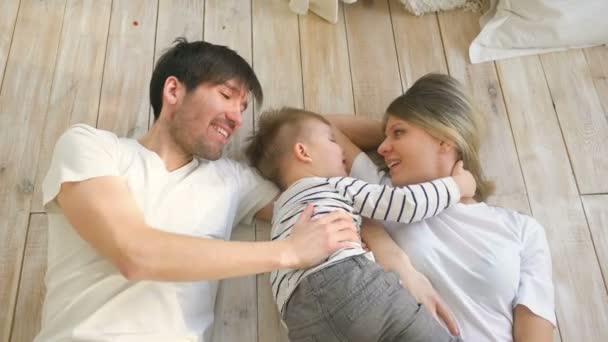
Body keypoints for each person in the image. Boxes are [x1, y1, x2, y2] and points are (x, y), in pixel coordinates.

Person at [34, 38, 361, 342]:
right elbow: (134, 253)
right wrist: (289, 252)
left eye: (243, 107)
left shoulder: (232, 181)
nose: (237, 117)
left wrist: (391, 131)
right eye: (226, 95)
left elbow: (316, 177)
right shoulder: (92, 147)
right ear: (174, 90)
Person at [330, 73, 556, 342]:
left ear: (444, 138)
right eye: (384, 137)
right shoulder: (385, 200)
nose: (381, 148)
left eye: (398, 133)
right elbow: (318, 129)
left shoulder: (522, 230)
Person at [244, 107, 476, 341]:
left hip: (299, 318)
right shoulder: (333, 184)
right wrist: (458, 186)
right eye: (332, 140)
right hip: (351, 285)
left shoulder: (280, 211)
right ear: (303, 152)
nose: (340, 148)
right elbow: (405, 204)